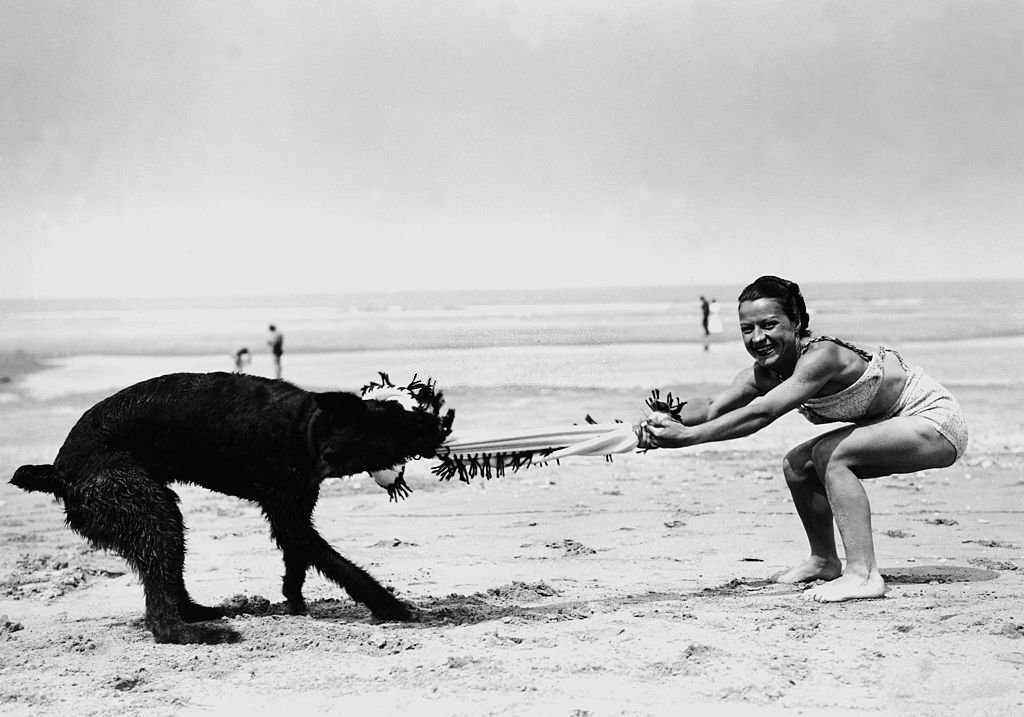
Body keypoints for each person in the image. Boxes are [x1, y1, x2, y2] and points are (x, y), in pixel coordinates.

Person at [638, 276, 967, 603]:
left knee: (831, 454)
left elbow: (763, 413)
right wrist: (664, 421)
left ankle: (864, 575)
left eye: (769, 325)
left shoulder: (823, 356)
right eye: (746, 329)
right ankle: (824, 561)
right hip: (898, 426)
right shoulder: (765, 373)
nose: (757, 338)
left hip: (935, 423)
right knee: (799, 465)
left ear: (796, 323)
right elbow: (712, 407)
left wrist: (687, 439)